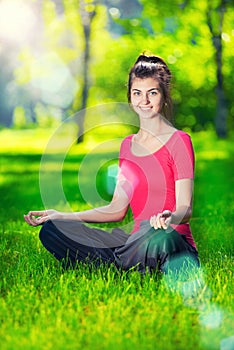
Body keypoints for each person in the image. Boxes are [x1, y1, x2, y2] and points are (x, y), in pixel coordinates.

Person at [24, 53, 200, 275]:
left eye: (152, 93)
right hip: (133, 242)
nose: (144, 101)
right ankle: (122, 262)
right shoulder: (127, 145)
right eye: (137, 93)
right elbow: (116, 209)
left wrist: (169, 217)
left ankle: (113, 263)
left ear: (164, 97)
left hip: (170, 242)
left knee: (152, 231)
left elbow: (186, 208)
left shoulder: (179, 141)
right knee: (53, 230)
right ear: (130, 96)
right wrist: (61, 215)